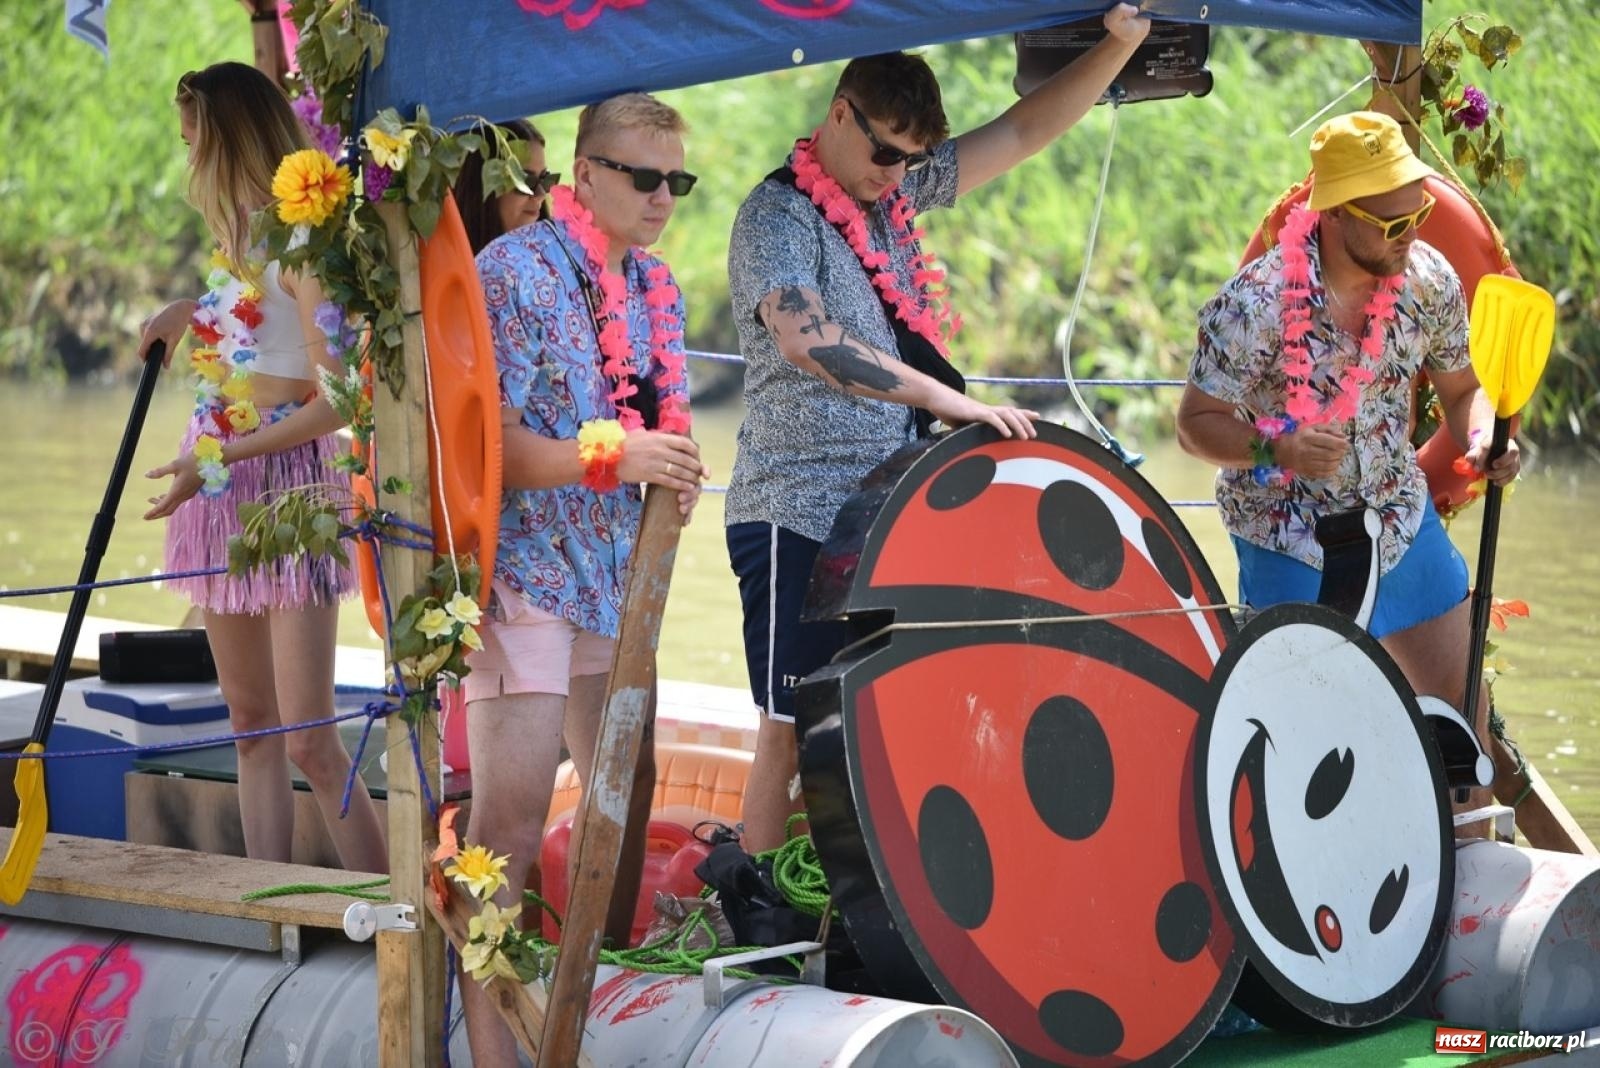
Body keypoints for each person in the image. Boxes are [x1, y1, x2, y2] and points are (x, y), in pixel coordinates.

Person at [724, 5, 1151, 853]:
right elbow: (804, 336)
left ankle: (843, 913)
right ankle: (764, 910)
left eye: (914, 160)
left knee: (878, 715)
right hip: (794, 507)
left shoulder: (892, 195)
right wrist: (948, 400)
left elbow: (1025, 128)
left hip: (888, 515)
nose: (896, 174)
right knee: (787, 720)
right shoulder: (776, 216)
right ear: (838, 115)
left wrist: (1123, 45)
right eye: (885, 150)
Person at [460, 92, 708, 1063]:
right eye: (643, 177)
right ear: (586, 173)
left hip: (614, 576)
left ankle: (579, 1004)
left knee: (625, 783)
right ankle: (489, 1044)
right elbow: (490, 446)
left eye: (676, 181)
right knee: (510, 820)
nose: (661, 198)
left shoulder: (657, 286)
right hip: (522, 576)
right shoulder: (511, 270)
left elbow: (664, 426)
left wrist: (670, 469)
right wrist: (620, 458)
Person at [1175, 111, 1519, 745]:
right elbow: (1194, 425)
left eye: (1415, 217)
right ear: (1334, 213)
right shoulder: (1254, 305)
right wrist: (1275, 446)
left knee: (1463, 732)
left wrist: (1480, 440)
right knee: (1304, 746)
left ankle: (1466, 837)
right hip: (1291, 539)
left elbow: (1465, 389)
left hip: (1400, 520)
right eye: (1391, 224)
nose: (1408, 238)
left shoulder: (1430, 279)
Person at [136, 62, 387, 874]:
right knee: (249, 723)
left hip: (286, 487)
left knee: (309, 737)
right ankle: (262, 899)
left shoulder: (302, 240)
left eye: (192, 142)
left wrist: (225, 455)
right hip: (218, 476)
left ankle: (391, 912)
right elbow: (245, 344)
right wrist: (188, 314)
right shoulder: (237, 243)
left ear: (226, 141)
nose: (186, 162)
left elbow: (341, 397)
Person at [453, 118, 559, 255]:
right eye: (525, 181)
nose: (540, 195)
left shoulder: (558, 257)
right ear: (483, 186)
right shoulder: (450, 268)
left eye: (546, 179)